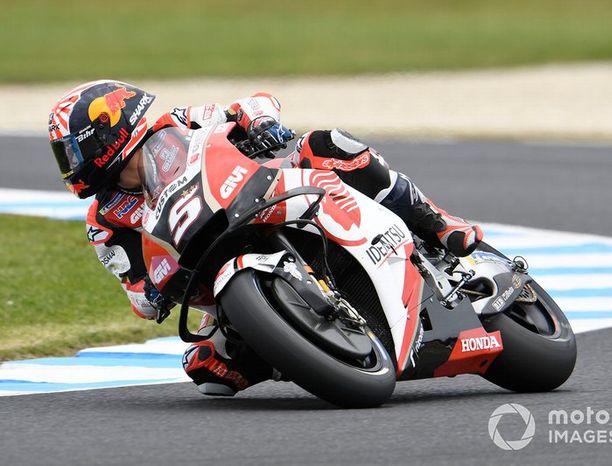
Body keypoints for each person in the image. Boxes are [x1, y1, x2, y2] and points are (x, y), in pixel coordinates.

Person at [48, 80, 483, 396]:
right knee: (209, 370)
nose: (70, 163)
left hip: (258, 196)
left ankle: (435, 221)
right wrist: (155, 296)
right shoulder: (103, 223)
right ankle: (312, 348)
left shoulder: (175, 124)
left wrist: (263, 123)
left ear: (107, 132)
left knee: (329, 145)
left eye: (72, 150)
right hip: (209, 270)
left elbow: (251, 103)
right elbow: (137, 293)